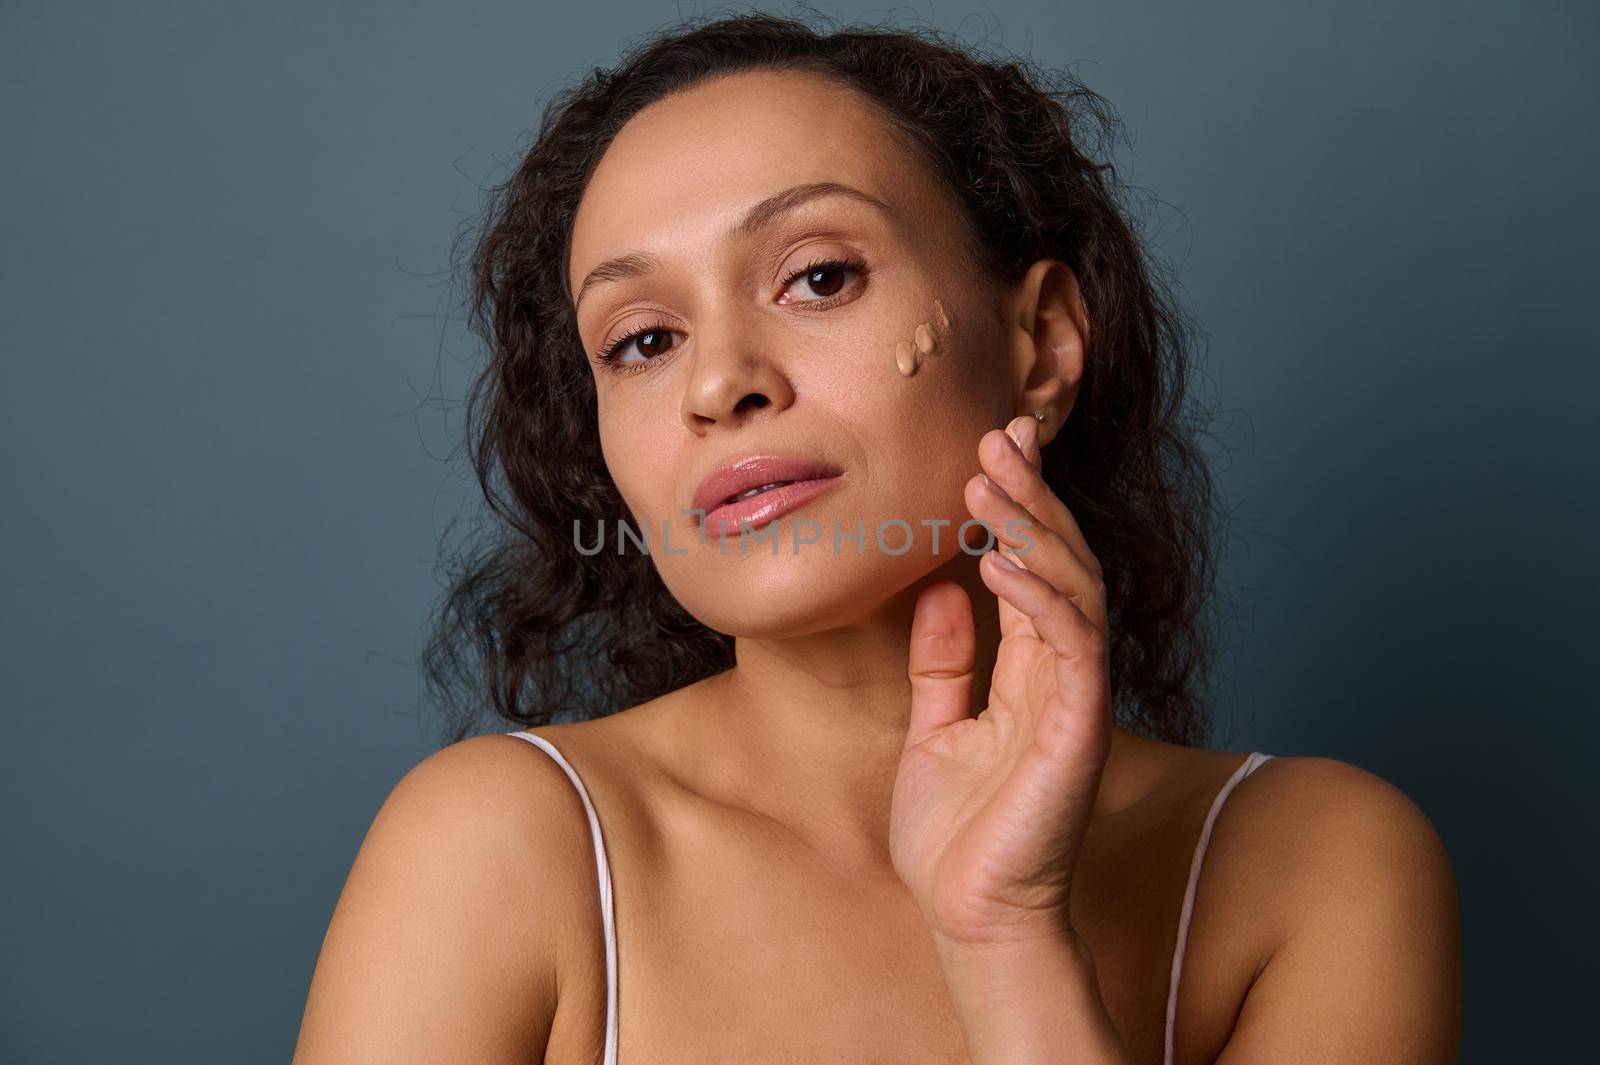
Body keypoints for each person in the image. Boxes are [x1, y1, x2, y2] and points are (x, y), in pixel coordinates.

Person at [292, 12, 1461, 1063]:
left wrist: (1005, 942)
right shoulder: (500, 846)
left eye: (816, 275)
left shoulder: (1315, 867)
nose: (719, 385)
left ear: (1042, 343)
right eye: (642, 340)